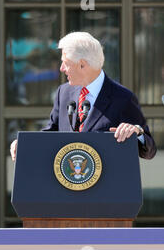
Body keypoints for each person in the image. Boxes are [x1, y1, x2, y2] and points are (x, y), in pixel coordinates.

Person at [10, 31, 157, 161]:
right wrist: (25, 144)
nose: (61, 69)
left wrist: (137, 132)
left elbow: (149, 151)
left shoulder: (123, 98)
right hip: (67, 185)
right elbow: (51, 133)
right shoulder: (64, 92)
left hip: (105, 190)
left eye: (65, 63)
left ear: (82, 64)